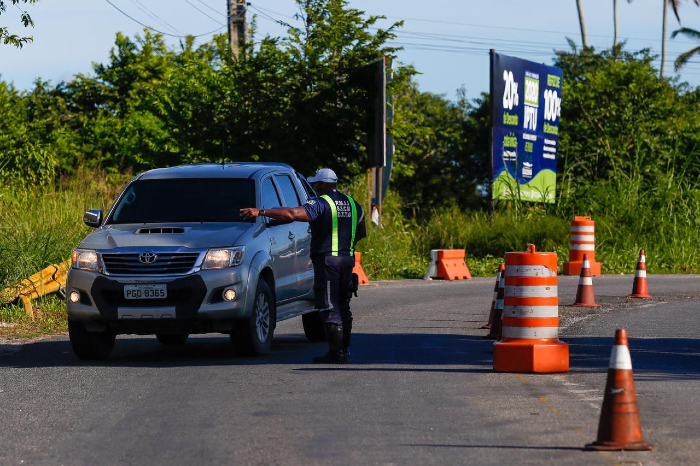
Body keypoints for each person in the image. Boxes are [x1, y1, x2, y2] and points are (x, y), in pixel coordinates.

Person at [240, 168, 366, 363]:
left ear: (323, 185)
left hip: (327, 262)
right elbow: (361, 232)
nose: (314, 187)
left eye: (316, 184)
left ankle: (336, 353)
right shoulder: (353, 204)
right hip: (347, 260)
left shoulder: (320, 203)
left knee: (329, 307)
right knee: (343, 305)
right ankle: (344, 350)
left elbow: (292, 213)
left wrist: (261, 212)